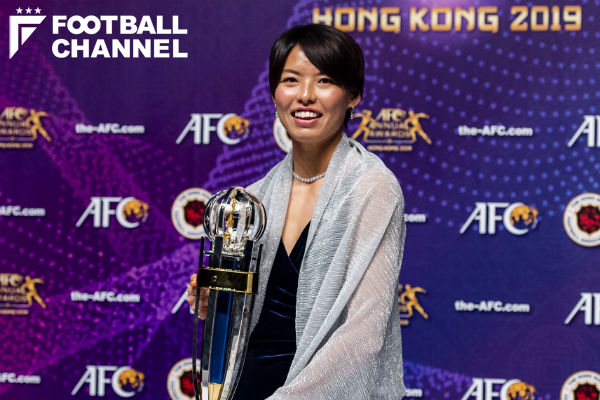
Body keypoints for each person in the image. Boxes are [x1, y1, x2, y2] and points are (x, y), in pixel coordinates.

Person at [189, 24, 406, 399]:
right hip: (245, 386)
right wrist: (215, 304)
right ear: (275, 93)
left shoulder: (371, 187)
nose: (305, 95)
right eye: (291, 80)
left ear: (353, 95)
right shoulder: (253, 199)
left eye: (324, 81)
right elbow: (246, 321)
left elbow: (364, 335)